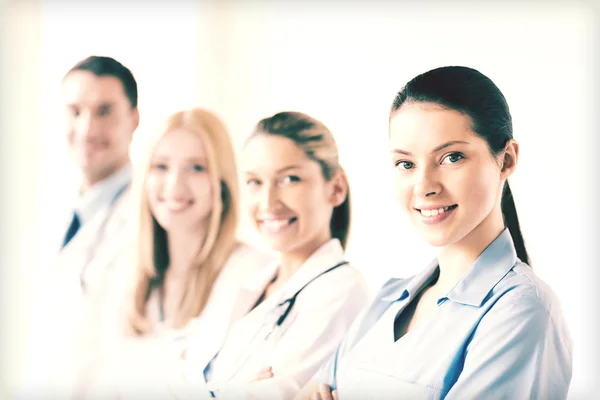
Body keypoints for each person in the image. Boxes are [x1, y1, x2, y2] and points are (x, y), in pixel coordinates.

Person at [300, 66, 573, 400]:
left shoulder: (521, 311)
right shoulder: (389, 298)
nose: (424, 186)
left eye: (451, 157)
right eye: (406, 164)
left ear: (506, 160)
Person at [168, 111, 370, 399]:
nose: (268, 202)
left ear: (336, 188)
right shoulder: (246, 276)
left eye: (290, 179)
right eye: (255, 182)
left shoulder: (342, 293)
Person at [82, 108, 273, 398]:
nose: (174, 185)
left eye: (197, 167)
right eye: (161, 166)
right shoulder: (124, 274)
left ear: (221, 183)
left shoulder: (253, 276)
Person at [20, 55, 140, 398]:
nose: (87, 129)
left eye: (105, 111)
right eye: (75, 111)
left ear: (134, 119)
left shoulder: (152, 217)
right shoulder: (54, 205)